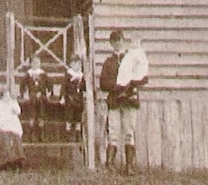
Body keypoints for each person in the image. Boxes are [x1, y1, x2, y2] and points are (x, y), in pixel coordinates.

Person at [98, 29, 149, 175]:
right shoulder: (108, 62)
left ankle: (129, 166)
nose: (118, 43)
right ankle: (110, 164)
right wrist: (116, 86)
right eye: (115, 41)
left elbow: (143, 76)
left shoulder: (133, 58)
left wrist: (130, 84)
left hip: (129, 99)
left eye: (120, 40)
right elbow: (103, 83)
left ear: (124, 41)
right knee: (113, 131)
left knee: (129, 131)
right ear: (111, 43)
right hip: (114, 100)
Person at [0, 88, 25, 170]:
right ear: (1, 97)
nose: (7, 98)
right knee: (5, 137)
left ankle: (18, 159)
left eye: (8, 96)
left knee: (15, 137)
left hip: (11, 124)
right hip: (1, 123)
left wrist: (14, 109)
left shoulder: (12, 103)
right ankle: (7, 161)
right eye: (5, 96)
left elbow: (18, 111)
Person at [19, 54, 52, 142]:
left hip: (41, 96)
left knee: (41, 113)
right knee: (32, 114)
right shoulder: (28, 74)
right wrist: (24, 94)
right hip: (32, 96)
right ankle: (31, 134)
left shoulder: (43, 74)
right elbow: (22, 86)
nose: (36, 64)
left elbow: (49, 85)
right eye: (34, 62)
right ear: (31, 64)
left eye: (38, 62)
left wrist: (49, 92)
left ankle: (42, 134)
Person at [59, 53, 86, 142]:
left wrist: (82, 84)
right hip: (70, 98)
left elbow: (84, 87)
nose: (77, 66)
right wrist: (62, 97)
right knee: (69, 115)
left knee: (78, 115)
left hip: (78, 98)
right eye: (74, 64)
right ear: (71, 65)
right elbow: (64, 86)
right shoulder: (68, 74)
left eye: (78, 64)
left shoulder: (81, 75)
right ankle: (68, 132)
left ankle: (78, 133)